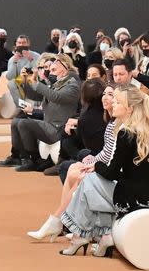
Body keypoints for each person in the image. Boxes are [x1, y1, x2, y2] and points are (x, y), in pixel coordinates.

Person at [58, 85, 149, 257]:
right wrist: (96, 167)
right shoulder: (144, 129)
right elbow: (131, 171)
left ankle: (82, 235)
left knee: (89, 182)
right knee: (91, 181)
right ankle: (99, 236)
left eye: (118, 102)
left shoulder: (125, 132)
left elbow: (111, 172)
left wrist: (95, 166)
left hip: (136, 197)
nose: (113, 103)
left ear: (130, 109)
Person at [27, 85, 116, 241]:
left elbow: (111, 156)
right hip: (104, 163)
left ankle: (58, 221)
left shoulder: (115, 124)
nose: (105, 97)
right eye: (104, 94)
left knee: (80, 173)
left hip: (116, 175)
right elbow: (106, 152)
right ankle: (65, 221)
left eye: (111, 95)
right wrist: (92, 160)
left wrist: (93, 162)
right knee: (74, 167)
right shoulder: (109, 121)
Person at [0, 54, 80, 171]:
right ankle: (22, 157)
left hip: (58, 128)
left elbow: (56, 97)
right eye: (46, 68)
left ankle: (33, 159)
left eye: (52, 69)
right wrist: (25, 81)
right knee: (16, 122)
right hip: (49, 123)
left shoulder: (72, 84)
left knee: (23, 123)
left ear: (64, 68)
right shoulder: (57, 84)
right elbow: (39, 98)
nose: (49, 72)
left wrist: (36, 83)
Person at [47, 79, 107, 176]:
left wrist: (78, 123)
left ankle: (65, 161)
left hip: (99, 157)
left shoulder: (92, 116)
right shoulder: (96, 112)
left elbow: (87, 141)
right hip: (99, 152)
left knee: (66, 163)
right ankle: (64, 159)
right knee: (66, 134)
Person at [5, 35, 40, 108]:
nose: (21, 45)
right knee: (11, 83)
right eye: (19, 43)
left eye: (24, 43)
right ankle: (23, 107)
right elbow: (9, 77)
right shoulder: (12, 59)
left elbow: (39, 72)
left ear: (28, 44)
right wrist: (15, 62)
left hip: (33, 80)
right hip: (20, 81)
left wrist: (30, 59)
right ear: (16, 44)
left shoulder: (36, 56)